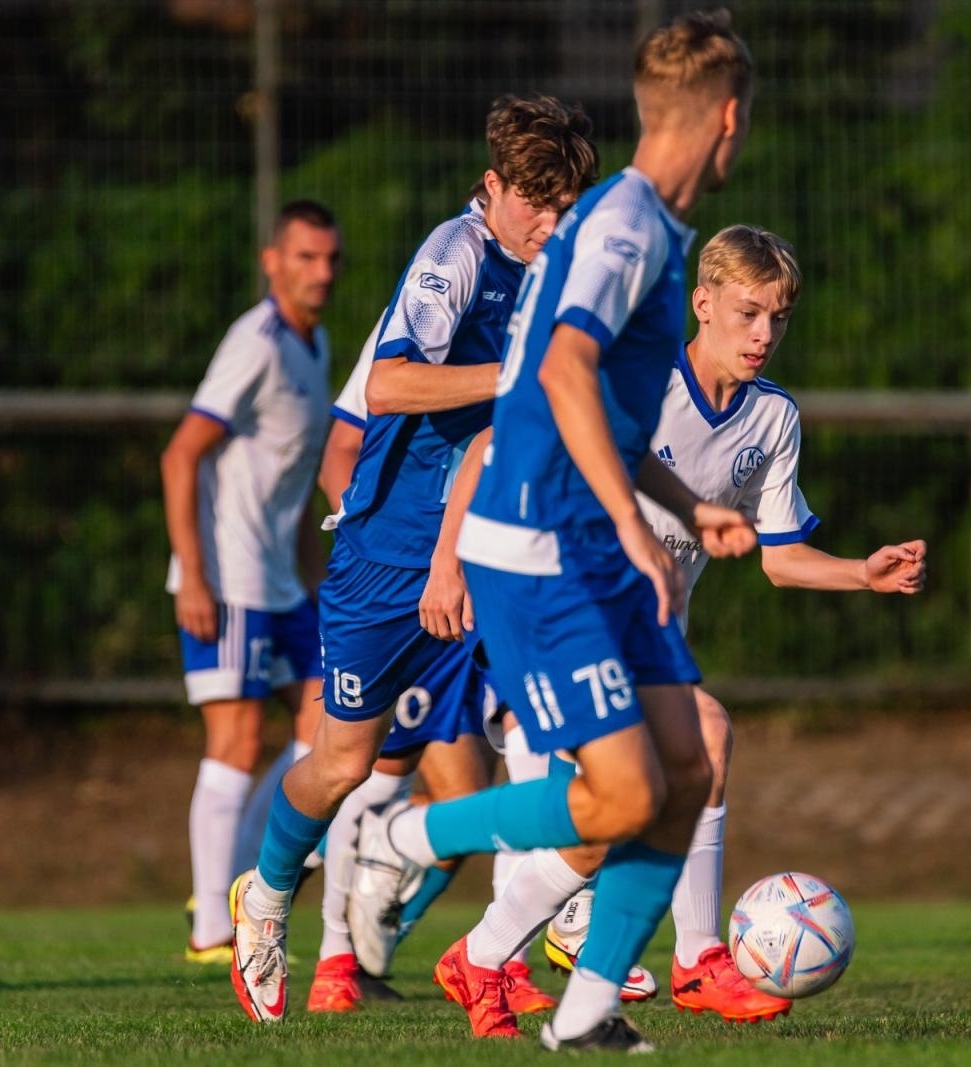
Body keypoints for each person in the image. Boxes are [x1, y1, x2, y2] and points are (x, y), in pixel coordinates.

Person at [349, 10, 760, 1053]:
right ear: (725, 118)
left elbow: (606, 412)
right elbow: (564, 371)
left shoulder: (649, 227)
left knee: (688, 769)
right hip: (540, 547)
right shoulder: (624, 230)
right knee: (619, 791)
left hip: (591, 537)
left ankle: (584, 1009)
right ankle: (415, 832)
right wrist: (634, 526)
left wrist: (682, 504)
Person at [456, 224, 926, 1033]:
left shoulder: (773, 420)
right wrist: (451, 568)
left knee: (652, 786)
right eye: (747, 313)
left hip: (634, 634)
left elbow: (780, 558)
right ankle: (643, 957)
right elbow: (496, 444)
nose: (763, 334)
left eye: (778, 318)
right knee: (649, 778)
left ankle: (521, 957)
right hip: (555, 604)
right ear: (701, 303)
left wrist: (860, 571)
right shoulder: (636, 384)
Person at [226, 93, 599, 1025]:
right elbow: (389, 383)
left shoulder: (559, 267)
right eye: (536, 205)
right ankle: (267, 897)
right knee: (343, 763)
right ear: (493, 187)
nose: (550, 224)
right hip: (389, 556)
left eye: (565, 207)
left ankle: (554, 920)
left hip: (489, 548)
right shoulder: (456, 255)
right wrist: (515, 379)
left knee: (554, 710)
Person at [303, 334, 555, 1017]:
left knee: (522, 753)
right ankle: (334, 957)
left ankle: (507, 955)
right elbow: (344, 447)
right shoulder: (422, 317)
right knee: (378, 770)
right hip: (412, 586)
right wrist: (378, 547)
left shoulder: (553, 307)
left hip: (503, 576)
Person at [159, 200, 339, 963]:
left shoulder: (316, 342)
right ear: (273, 261)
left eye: (330, 259)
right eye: (304, 258)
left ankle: (244, 880)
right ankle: (209, 931)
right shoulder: (255, 342)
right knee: (233, 740)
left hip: (280, 582)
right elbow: (181, 454)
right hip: (227, 577)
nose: (320, 273)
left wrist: (316, 576)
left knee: (327, 726)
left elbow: (292, 483)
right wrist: (194, 576)